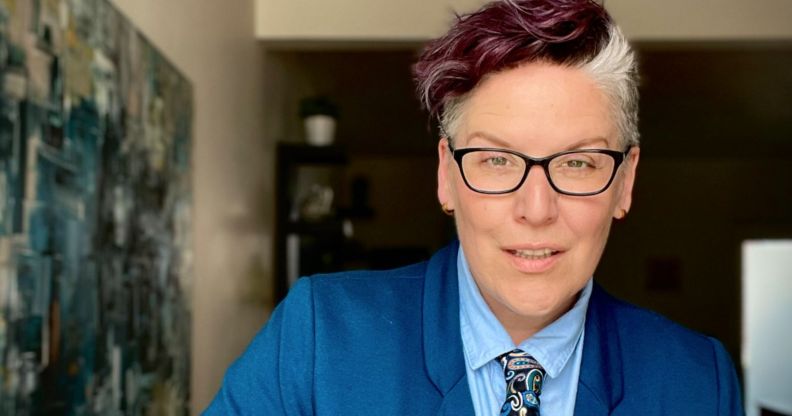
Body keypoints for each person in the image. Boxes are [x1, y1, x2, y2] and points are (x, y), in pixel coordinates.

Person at [204, 0, 743, 414]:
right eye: (497, 161)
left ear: (624, 182)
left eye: (578, 163)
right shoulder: (320, 339)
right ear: (446, 176)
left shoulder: (698, 381)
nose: (537, 209)